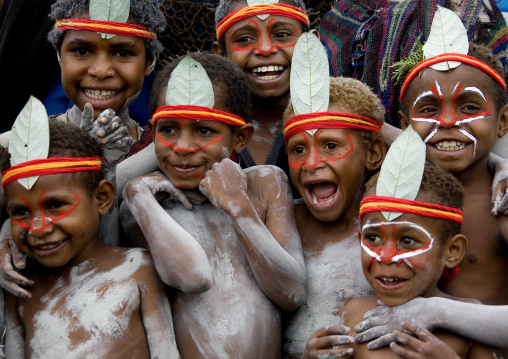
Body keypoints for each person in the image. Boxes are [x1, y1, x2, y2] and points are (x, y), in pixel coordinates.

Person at [120, 52, 306, 358]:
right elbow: (194, 278)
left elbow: (293, 292)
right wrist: (138, 193)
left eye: (203, 130)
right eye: (168, 130)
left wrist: (238, 207)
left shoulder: (265, 184)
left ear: (239, 138)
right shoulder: (143, 207)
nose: (182, 147)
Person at [2, 117, 179, 358]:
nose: (38, 228)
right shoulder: (20, 289)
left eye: (56, 205)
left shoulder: (138, 268)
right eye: (21, 212)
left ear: (102, 198)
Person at [304, 141, 500, 358]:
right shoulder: (356, 312)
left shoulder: (471, 321)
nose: (386, 257)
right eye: (373, 238)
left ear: (452, 251)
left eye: (407, 240)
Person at [116, 0, 312, 196]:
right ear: (221, 53)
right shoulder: (181, 132)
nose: (265, 49)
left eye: (282, 35)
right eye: (244, 39)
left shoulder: (336, 120)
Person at [281, 75, 386, 358]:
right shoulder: (282, 220)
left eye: (330, 146)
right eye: (298, 150)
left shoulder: (392, 224)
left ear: (373, 153)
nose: (312, 163)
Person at [397, 43, 508, 306]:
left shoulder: (501, 207)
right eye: (429, 109)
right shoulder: (390, 195)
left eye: (469, 107)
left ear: (502, 122)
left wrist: (443, 313)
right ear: (404, 125)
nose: (447, 121)